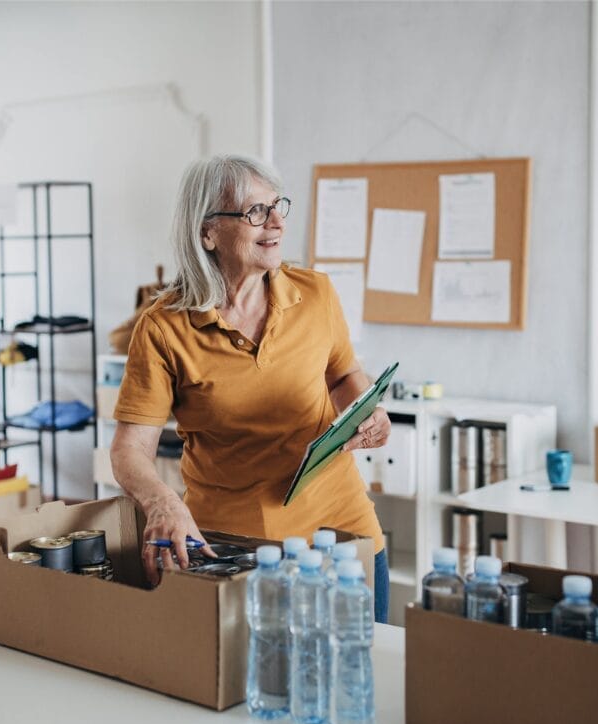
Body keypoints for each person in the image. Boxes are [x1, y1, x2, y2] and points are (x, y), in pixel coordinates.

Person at [111, 155, 393, 622]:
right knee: (251, 686)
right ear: (208, 233)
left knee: (358, 676)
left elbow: (343, 376)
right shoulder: (164, 328)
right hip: (234, 546)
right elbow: (128, 449)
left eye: (277, 205)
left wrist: (364, 412)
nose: (277, 222)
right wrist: (162, 503)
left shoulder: (316, 293)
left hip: (341, 533)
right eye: (254, 211)